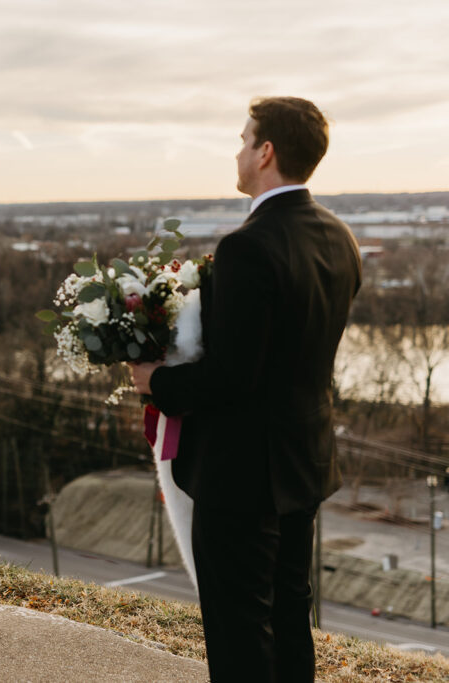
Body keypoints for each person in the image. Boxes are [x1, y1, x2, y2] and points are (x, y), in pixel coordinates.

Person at [130, 97, 362, 681]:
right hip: (302, 460)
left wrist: (155, 380)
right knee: (288, 614)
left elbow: (233, 377)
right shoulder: (339, 238)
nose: (236, 151)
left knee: (238, 630)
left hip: (241, 475)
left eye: (243, 139)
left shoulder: (246, 247)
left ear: (266, 152)